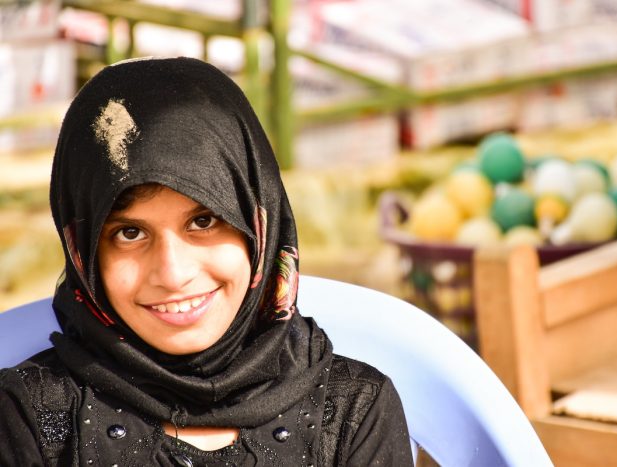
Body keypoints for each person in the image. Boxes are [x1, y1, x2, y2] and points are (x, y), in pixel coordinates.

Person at [0, 57, 412, 466]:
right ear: (82, 251)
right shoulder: (28, 419)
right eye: (130, 233)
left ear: (260, 226)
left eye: (204, 220)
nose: (174, 273)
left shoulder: (354, 414)